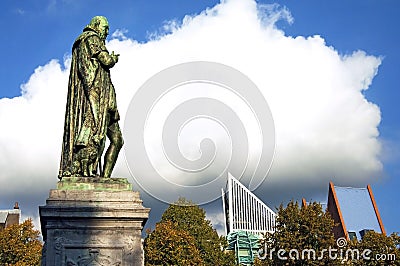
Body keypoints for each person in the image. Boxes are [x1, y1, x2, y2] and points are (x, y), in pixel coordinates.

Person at [59, 16, 123, 179]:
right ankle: (87, 170)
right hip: (97, 97)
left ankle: (106, 177)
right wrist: (113, 59)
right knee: (97, 136)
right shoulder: (91, 38)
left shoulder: (90, 40)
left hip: (106, 97)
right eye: (105, 28)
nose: (107, 32)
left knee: (117, 140)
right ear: (96, 26)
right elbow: (106, 60)